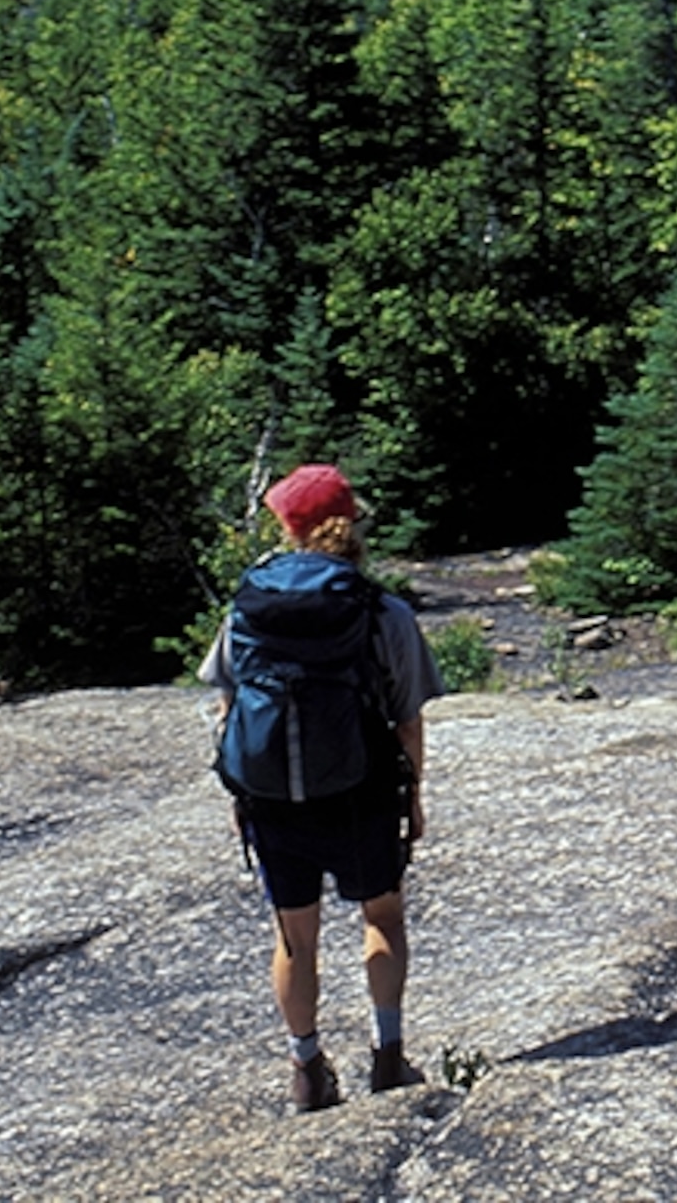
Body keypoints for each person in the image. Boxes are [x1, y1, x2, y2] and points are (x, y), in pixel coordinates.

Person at [203, 461, 444, 1109]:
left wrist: (240, 794)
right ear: (353, 523)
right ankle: (388, 1057)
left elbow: (228, 703)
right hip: (360, 792)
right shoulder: (379, 610)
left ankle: (307, 1070)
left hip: (272, 796)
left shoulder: (248, 606)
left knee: (294, 936)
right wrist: (412, 796)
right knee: (383, 917)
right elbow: (408, 718)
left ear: (290, 527)